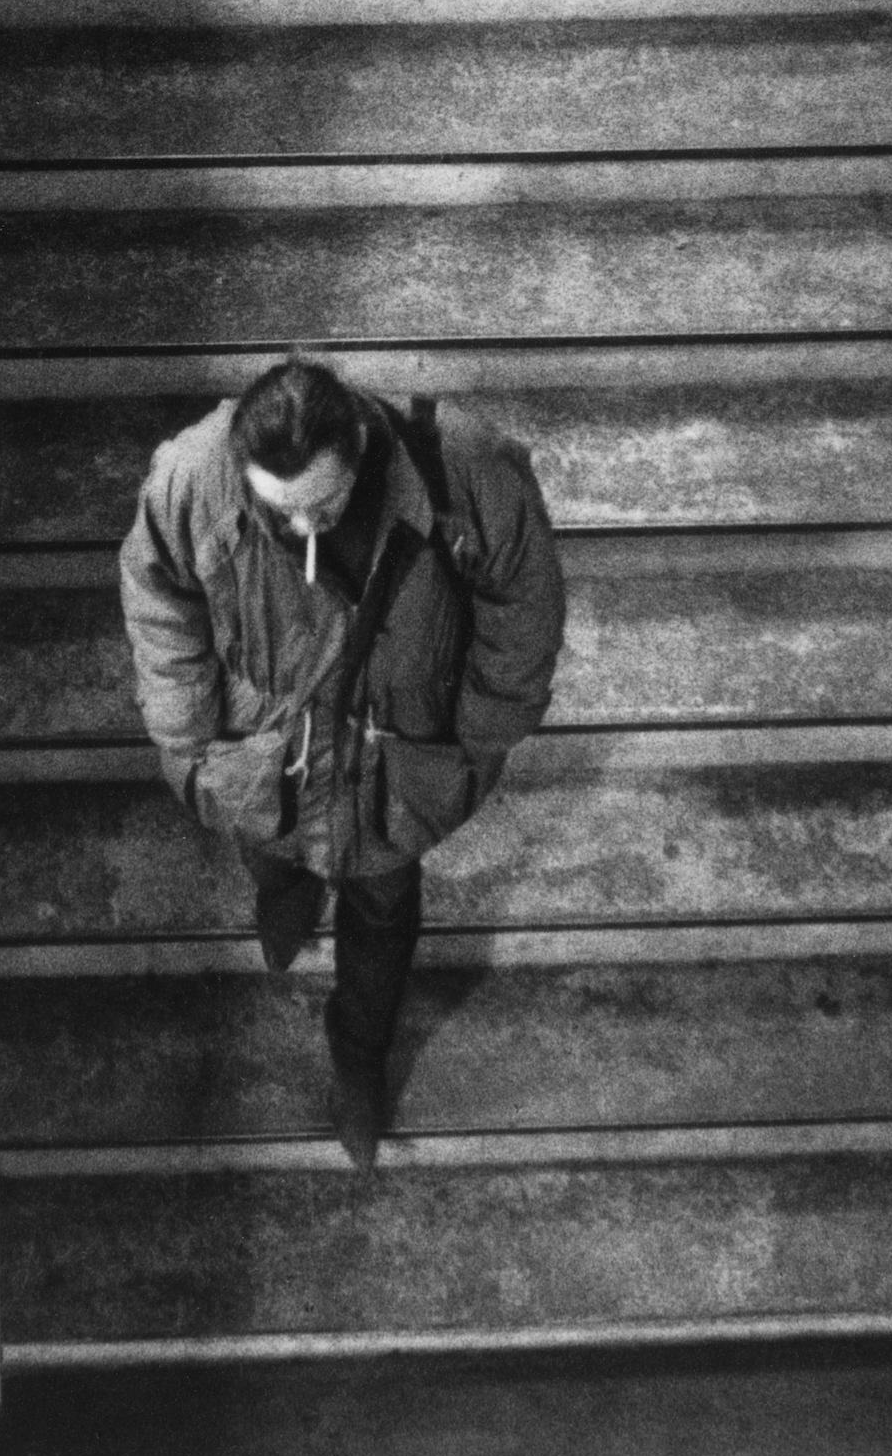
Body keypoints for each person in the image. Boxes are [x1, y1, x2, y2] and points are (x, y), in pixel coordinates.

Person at [118, 352, 565, 1173]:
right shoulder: (194, 477)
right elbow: (158, 596)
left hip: (398, 760)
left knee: (385, 909)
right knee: (265, 841)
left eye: (321, 505)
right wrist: (188, 738)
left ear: (359, 447)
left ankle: (359, 1053)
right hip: (264, 748)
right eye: (279, 511)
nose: (302, 530)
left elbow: (524, 603)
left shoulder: (463, 469)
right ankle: (285, 893)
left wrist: (475, 736)